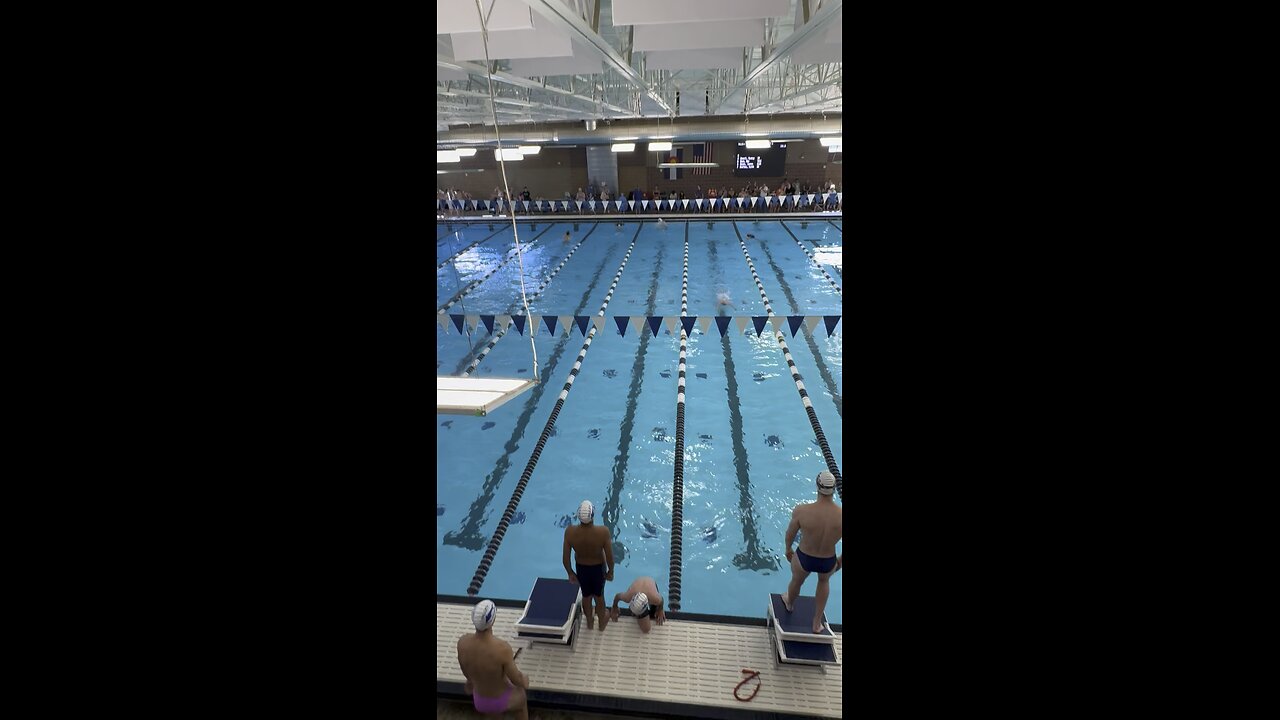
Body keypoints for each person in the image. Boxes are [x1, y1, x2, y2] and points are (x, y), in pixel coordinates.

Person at [780, 471, 843, 633]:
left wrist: (788, 549)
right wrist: (841, 560)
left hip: (804, 558)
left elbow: (790, 534)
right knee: (824, 582)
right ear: (834, 489)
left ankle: (789, 602)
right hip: (828, 560)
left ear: (817, 486)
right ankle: (816, 623)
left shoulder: (802, 511)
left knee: (797, 581)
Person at [457, 600, 530, 720]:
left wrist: (471, 682)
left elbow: (466, 672)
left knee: (493, 712)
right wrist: (524, 681)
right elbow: (516, 679)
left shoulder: (462, 642)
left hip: (480, 701)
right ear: (493, 620)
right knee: (521, 697)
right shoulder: (502, 648)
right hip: (500, 700)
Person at [564, 500, 614, 631]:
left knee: (586, 596)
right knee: (599, 597)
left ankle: (590, 622)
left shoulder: (570, 532)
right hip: (598, 570)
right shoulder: (603, 532)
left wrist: (570, 573)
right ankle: (601, 623)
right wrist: (610, 572)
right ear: (592, 515)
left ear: (578, 515)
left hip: (581, 569)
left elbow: (565, 559)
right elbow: (610, 557)